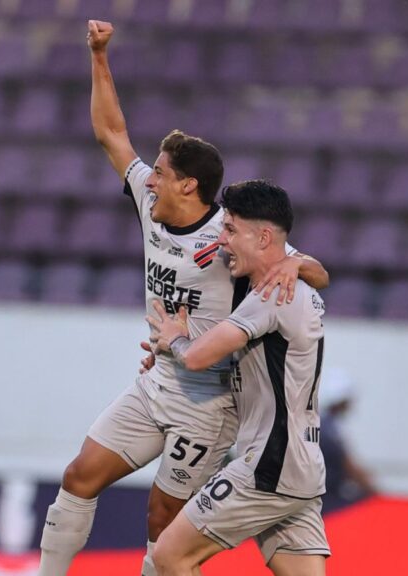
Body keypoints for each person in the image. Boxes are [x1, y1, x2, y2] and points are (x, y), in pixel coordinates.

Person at [35, 20, 331, 576]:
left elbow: (314, 272)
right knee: (80, 476)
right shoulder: (152, 206)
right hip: (157, 382)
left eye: (161, 173)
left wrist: (294, 261)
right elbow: (110, 133)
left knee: (162, 523)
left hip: (210, 403)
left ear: (188, 185)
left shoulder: (231, 237)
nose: (148, 179)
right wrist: (99, 56)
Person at [147, 180, 329, 576]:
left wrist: (173, 339)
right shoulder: (294, 283)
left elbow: (195, 358)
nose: (223, 240)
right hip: (301, 466)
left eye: (230, 229)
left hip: (268, 465)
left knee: (169, 555)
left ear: (263, 237)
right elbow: (320, 272)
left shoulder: (270, 296)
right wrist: (298, 262)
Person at [319, 368, 379, 513]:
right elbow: (349, 467)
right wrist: (376, 493)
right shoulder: (328, 430)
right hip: (328, 501)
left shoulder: (321, 424)